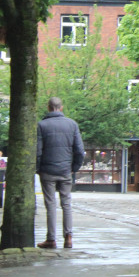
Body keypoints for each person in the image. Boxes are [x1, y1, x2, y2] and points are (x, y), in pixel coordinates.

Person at [36, 97, 84, 249]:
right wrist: (73, 168)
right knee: (66, 203)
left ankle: (51, 239)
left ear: (48, 107)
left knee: (50, 204)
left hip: (47, 170)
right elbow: (79, 151)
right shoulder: (72, 124)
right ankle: (68, 237)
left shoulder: (42, 125)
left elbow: (38, 151)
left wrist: (38, 168)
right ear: (61, 108)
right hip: (65, 170)